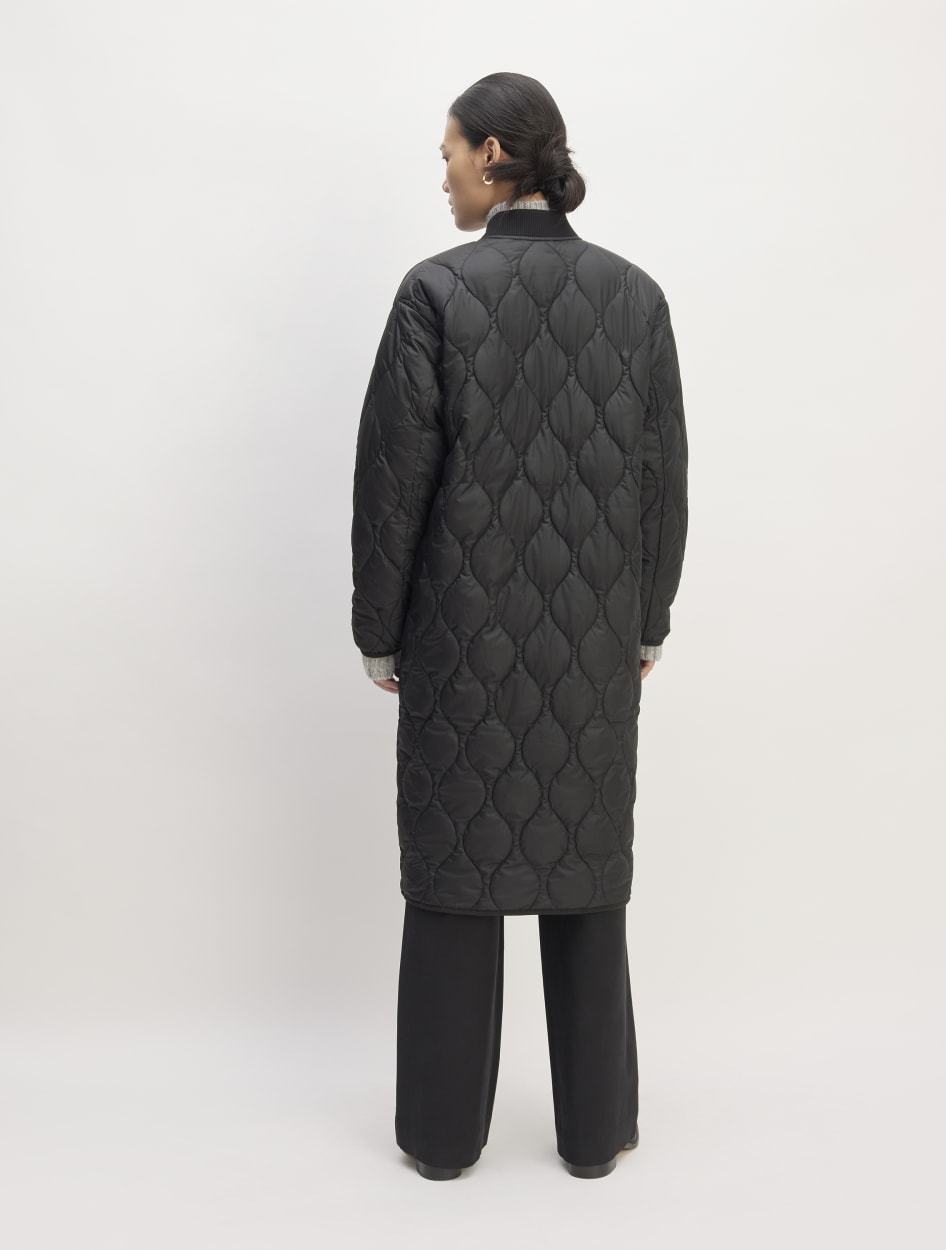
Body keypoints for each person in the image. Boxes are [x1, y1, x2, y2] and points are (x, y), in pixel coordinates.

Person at [350, 72, 689, 1180]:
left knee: (458, 872)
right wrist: (646, 621)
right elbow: (663, 481)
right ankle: (594, 1134)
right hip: (594, 648)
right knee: (583, 870)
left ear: (494, 153)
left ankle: (443, 1138)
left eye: (449, 153)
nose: (444, 175)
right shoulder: (635, 297)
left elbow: (393, 483)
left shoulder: (436, 292)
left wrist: (378, 629)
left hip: (460, 643)